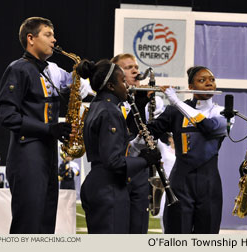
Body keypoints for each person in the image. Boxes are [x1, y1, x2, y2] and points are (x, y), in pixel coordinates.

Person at [0, 17, 90, 234]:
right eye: (48, 34)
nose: (54, 40)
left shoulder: (51, 70)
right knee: (28, 225)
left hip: (47, 154)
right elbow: (6, 115)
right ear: (31, 38)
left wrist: (86, 71)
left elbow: (76, 84)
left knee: (46, 224)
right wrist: (49, 129)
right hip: (26, 153)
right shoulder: (18, 69)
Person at [77, 59, 161, 233]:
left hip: (98, 183)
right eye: (122, 81)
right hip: (109, 187)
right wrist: (145, 160)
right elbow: (113, 161)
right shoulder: (110, 111)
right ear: (111, 86)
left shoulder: (96, 106)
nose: (127, 86)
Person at [147, 66, 228, 234]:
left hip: (209, 183)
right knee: (177, 235)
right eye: (202, 80)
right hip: (181, 182)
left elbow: (209, 127)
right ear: (190, 87)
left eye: (211, 80)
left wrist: (176, 102)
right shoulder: (174, 112)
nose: (208, 83)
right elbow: (149, 132)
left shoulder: (222, 112)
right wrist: (142, 101)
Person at [111, 53, 151, 233]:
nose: (135, 70)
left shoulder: (145, 100)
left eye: (135, 67)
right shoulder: (111, 103)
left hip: (140, 174)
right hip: (118, 172)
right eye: (128, 68)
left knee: (139, 229)